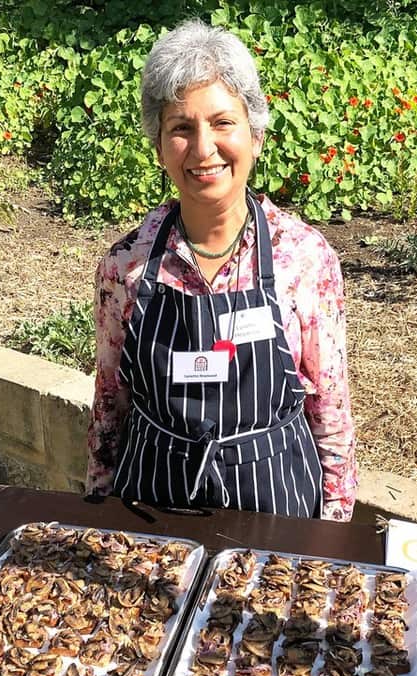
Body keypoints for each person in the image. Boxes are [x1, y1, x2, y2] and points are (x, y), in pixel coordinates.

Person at [85, 20, 356, 521]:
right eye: (181, 128)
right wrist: (99, 510)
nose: (204, 148)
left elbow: (331, 411)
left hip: (276, 504)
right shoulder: (126, 266)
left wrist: (334, 531)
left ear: (255, 136)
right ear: (160, 146)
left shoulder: (303, 258)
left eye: (222, 123)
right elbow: (109, 405)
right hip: (150, 502)